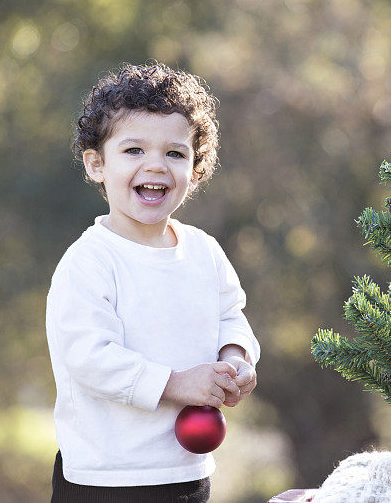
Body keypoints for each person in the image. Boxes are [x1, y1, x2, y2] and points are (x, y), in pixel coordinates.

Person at [45, 60, 259, 502]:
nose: (156, 165)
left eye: (175, 153)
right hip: (105, 478)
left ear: (196, 170)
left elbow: (230, 316)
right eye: (134, 151)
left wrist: (236, 358)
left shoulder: (203, 251)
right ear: (96, 165)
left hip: (186, 471)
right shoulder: (90, 261)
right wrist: (177, 383)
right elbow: (90, 358)